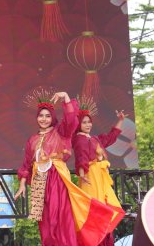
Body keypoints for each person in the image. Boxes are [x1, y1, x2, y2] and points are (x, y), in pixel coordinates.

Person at [14, 90, 120, 246]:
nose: (44, 119)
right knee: (45, 222)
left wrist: (66, 98)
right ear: (37, 117)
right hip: (38, 181)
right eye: (41, 116)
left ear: (53, 117)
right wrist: (22, 184)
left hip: (56, 178)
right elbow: (26, 163)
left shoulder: (61, 132)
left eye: (47, 116)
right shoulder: (32, 139)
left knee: (60, 217)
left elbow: (71, 120)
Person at [72, 104, 127, 246]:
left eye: (89, 121)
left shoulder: (94, 138)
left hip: (100, 177)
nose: (88, 124)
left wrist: (120, 120)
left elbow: (110, 138)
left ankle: (103, 241)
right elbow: (81, 156)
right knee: (96, 210)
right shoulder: (80, 138)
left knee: (104, 209)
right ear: (78, 124)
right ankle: (94, 241)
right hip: (91, 176)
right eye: (84, 122)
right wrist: (83, 172)